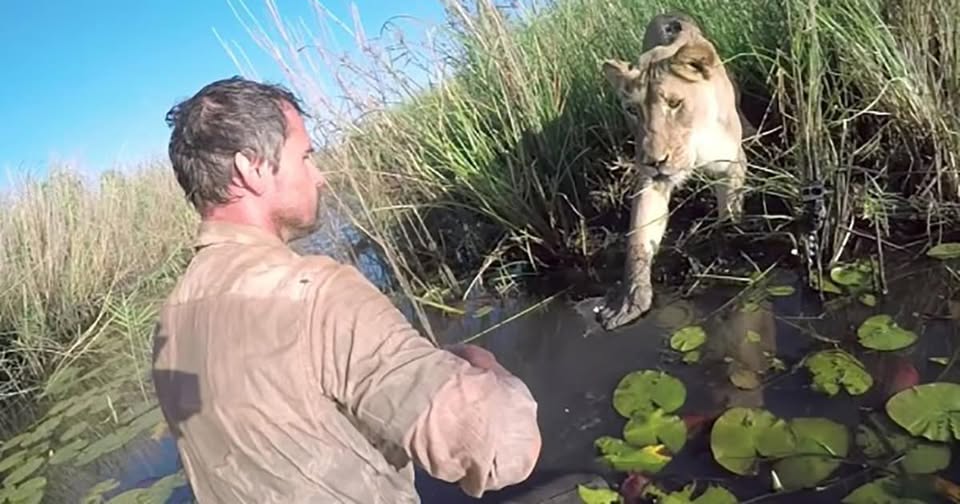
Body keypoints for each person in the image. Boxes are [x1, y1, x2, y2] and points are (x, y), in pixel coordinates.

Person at [151, 76, 542, 503]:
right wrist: (486, 367)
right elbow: (503, 449)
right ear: (252, 167)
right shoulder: (315, 296)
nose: (320, 177)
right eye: (305, 156)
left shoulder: (172, 321)